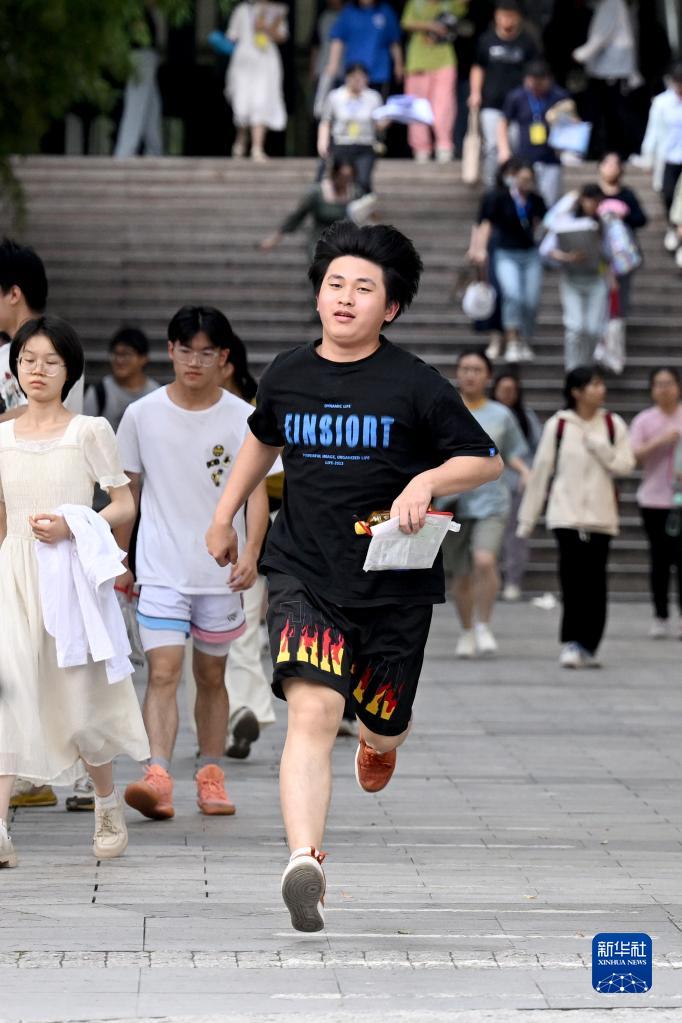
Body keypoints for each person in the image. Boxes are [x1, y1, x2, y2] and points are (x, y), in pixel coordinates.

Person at [205, 220, 503, 931]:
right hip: (305, 570)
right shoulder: (288, 373)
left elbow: (485, 460)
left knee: (383, 720)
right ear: (318, 295)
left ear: (390, 306)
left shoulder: (415, 383)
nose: (344, 297)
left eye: (363, 288)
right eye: (335, 284)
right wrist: (223, 515)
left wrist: (427, 479)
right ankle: (303, 861)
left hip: (393, 585)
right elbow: (260, 442)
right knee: (311, 712)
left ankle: (380, 739)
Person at [0, 316, 151, 868]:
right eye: (27, 360)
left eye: (50, 361)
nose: (37, 370)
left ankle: (106, 802)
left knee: (82, 702)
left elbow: (124, 503)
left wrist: (73, 524)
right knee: (9, 694)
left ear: (70, 370)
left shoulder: (89, 431)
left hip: (70, 577)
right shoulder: (1, 436)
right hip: (12, 576)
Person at [115, 306, 270, 821]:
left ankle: (210, 773)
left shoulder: (244, 417)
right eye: (185, 351)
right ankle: (157, 776)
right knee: (163, 671)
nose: (195, 362)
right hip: (161, 567)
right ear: (171, 351)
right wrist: (121, 559)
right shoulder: (142, 415)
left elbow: (256, 495)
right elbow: (128, 494)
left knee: (210, 674)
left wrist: (252, 552)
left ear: (224, 357)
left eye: (206, 352)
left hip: (220, 572)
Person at [0, 238, 84, 812]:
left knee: (65, 662)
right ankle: (32, 772)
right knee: (23, 659)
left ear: (13, 293)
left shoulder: (52, 354)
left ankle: (80, 775)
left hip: (55, 534)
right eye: (27, 363)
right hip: (15, 536)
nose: (36, 369)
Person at [517, 366, 635, 668]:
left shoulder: (612, 424)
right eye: (593, 385)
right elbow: (541, 472)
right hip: (565, 516)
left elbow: (625, 465)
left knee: (596, 582)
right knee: (571, 580)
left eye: (601, 384)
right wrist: (527, 519)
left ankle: (589, 644)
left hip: (601, 516)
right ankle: (571, 641)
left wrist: (602, 450)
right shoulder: (558, 425)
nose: (600, 390)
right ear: (576, 392)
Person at [442, 349, 529, 657]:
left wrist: (526, 472)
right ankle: (466, 630)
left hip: (491, 500)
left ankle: (484, 624)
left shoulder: (501, 414)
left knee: (484, 560)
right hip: (451, 501)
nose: (470, 375)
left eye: (477, 369)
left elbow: (513, 451)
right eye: (465, 368)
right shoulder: (443, 409)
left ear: (488, 376)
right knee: (461, 573)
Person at [469, 160, 546, 362]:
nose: (525, 183)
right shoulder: (499, 197)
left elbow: (544, 223)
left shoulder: (536, 200)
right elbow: (484, 223)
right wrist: (479, 248)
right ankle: (511, 340)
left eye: (529, 179)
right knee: (512, 294)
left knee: (531, 300)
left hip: (530, 253)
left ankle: (525, 339)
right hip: (505, 252)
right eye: (522, 178)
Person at [0, 238, 83, 423]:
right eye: (29, 360)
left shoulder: (61, 347)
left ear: (14, 294)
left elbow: (40, 411)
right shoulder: (4, 355)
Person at [629, 368, 682, 639]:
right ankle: (660, 615)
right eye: (658, 384)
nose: (664, 389)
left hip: (680, 501)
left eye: (669, 383)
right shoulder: (644, 420)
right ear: (651, 389)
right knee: (659, 560)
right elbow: (632, 456)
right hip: (653, 500)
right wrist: (660, 441)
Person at [468, 1, 538, 186]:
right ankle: (492, 185)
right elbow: (478, 67)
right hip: (492, 102)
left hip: (517, 106)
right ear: (496, 17)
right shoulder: (487, 40)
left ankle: (513, 185)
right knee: (493, 146)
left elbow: (532, 74)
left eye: (510, 16)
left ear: (518, 18)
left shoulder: (526, 42)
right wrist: (475, 92)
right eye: (503, 15)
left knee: (514, 144)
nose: (506, 20)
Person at [549, 184, 610, 371]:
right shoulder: (565, 220)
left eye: (597, 201)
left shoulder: (604, 222)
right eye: (590, 200)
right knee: (575, 328)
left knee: (593, 329)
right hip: (571, 279)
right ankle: (572, 370)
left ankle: (585, 367)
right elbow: (547, 248)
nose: (593, 205)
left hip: (596, 279)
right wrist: (568, 257)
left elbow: (611, 254)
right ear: (582, 200)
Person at [492, 370, 542, 601]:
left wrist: (528, 473)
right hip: (488, 485)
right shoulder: (487, 413)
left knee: (516, 535)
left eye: (511, 390)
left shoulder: (526, 417)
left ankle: (512, 580)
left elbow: (537, 449)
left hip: (517, 484)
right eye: (503, 390)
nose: (507, 394)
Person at [571, 0, 641, 159]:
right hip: (608, 71)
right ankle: (610, 151)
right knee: (609, 115)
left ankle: (620, 152)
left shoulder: (611, 4)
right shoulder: (608, 5)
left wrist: (580, 55)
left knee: (612, 115)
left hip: (611, 72)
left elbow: (601, 36)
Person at [401, 0, 466, 164]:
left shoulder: (449, 4)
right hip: (418, 62)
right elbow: (406, 23)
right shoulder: (415, 3)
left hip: (444, 62)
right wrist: (430, 26)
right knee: (417, 107)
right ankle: (421, 148)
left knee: (444, 106)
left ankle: (444, 146)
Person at [498, 60, 570, 208]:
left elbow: (571, 122)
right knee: (524, 200)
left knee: (549, 202)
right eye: (531, 81)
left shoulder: (559, 96)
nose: (534, 86)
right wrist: (504, 150)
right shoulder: (517, 96)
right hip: (525, 158)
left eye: (539, 82)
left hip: (550, 157)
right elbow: (503, 123)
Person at [225, 1, 288, 162]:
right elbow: (231, 35)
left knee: (262, 101)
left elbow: (282, 36)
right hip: (245, 60)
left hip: (266, 59)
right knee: (242, 103)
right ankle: (241, 138)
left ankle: (257, 147)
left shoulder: (277, 9)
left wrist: (269, 26)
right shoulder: (242, 9)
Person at [260, 161, 359, 258]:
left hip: (346, 244)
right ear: (334, 174)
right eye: (342, 177)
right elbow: (297, 216)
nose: (345, 181)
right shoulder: (317, 193)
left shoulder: (355, 193)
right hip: (321, 241)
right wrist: (275, 238)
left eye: (349, 177)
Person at [317, 65, 383, 195]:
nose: (357, 81)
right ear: (347, 78)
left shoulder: (373, 97)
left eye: (361, 77)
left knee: (363, 181)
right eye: (353, 77)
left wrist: (390, 117)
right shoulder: (336, 96)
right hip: (342, 143)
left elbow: (379, 124)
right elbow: (326, 121)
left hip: (364, 144)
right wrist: (322, 142)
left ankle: (362, 203)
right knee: (332, 179)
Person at [597, 152, 647, 318]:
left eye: (616, 164)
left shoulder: (627, 195)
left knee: (620, 294)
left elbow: (641, 219)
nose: (612, 168)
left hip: (622, 252)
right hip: (598, 252)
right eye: (608, 164)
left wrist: (624, 216)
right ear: (600, 167)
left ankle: (617, 324)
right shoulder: (594, 194)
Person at [640, 63, 682, 257]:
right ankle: (673, 226)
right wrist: (648, 157)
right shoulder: (661, 102)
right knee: (668, 194)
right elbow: (653, 131)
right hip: (669, 158)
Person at [84, 327, 160, 432]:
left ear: (143, 359)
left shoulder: (155, 394)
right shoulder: (99, 392)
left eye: (127, 354)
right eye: (116, 354)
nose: (119, 360)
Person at [324, 0, 403, 99]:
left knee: (377, 104)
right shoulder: (349, 11)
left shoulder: (385, 11)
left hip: (378, 72)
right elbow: (338, 39)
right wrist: (332, 64)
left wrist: (398, 65)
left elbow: (394, 41)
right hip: (353, 71)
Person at [113, 5, 163, 158]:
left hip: (145, 55)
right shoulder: (135, 11)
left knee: (152, 107)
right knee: (137, 103)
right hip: (140, 56)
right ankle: (125, 152)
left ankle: (154, 152)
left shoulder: (141, 11)